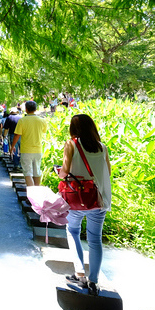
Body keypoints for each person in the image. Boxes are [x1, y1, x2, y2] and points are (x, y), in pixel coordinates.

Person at [57, 114, 112, 296]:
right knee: (95, 239)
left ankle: (79, 273)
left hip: (76, 199)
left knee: (73, 231)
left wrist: (59, 171)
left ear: (74, 130)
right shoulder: (102, 147)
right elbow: (107, 173)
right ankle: (94, 281)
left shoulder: (71, 144)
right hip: (98, 199)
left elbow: (65, 173)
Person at [11, 100, 48, 186]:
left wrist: (12, 146)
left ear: (26, 109)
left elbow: (16, 135)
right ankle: (37, 194)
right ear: (35, 109)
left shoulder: (22, 120)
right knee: (37, 172)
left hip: (26, 150)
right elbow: (44, 131)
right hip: (38, 150)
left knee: (27, 173)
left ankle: (32, 196)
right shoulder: (42, 120)